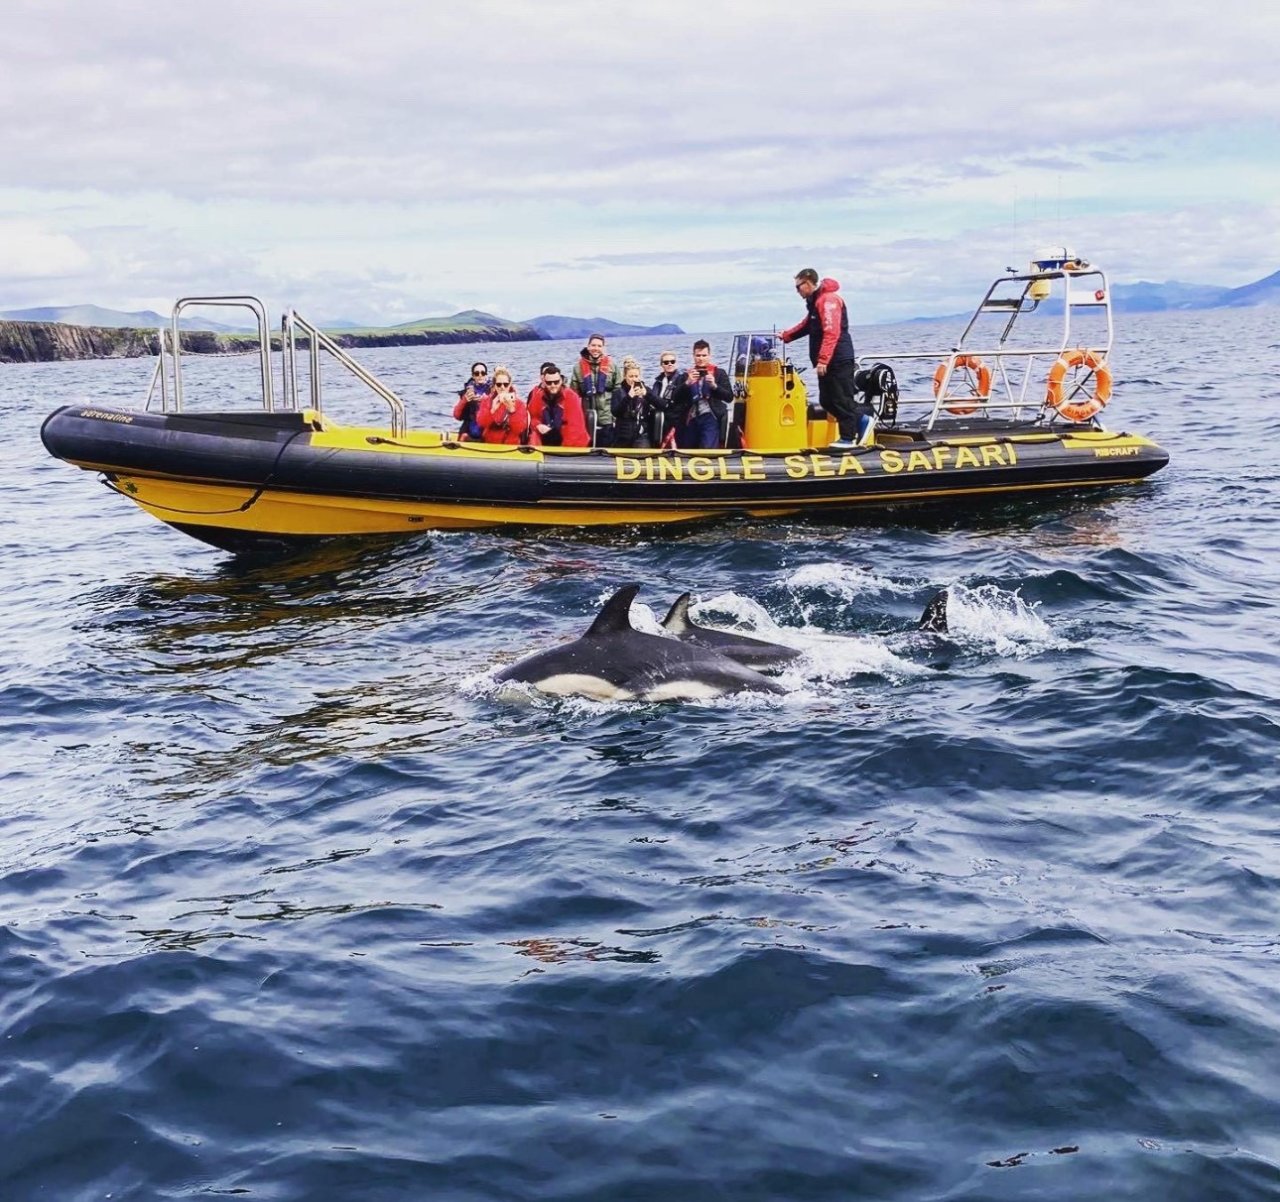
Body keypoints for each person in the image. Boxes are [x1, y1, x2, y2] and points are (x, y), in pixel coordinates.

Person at [779, 267, 870, 448]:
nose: (797, 291)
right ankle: (862, 420)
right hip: (828, 361)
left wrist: (823, 359)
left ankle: (848, 437)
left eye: (798, 287)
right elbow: (807, 325)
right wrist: (786, 336)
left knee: (840, 398)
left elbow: (831, 331)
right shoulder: (816, 302)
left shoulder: (828, 300)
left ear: (808, 282)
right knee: (826, 400)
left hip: (837, 359)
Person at [669, 340, 732, 449]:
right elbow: (674, 398)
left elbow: (729, 397)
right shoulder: (686, 375)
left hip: (710, 415)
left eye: (704, 355)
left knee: (707, 448)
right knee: (687, 448)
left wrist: (714, 386)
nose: (701, 358)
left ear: (709, 356)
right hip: (691, 417)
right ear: (693, 356)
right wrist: (687, 383)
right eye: (698, 355)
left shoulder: (719, 373)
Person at [571, 333, 623, 446]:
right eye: (593, 345)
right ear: (588, 346)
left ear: (603, 348)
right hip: (586, 418)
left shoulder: (613, 366)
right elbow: (573, 395)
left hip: (608, 418)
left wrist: (616, 418)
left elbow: (619, 392)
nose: (596, 348)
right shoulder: (577, 368)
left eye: (599, 346)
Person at [528, 363, 589, 447]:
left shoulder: (571, 397)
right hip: (547, 441)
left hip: (571, 444)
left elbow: (575, 429)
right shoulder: (538, 396)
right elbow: (531, 418)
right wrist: (538, 425)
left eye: (556, 382)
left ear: (561, 381)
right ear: (544, 382)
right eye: (549, 383)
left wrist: (561, 449)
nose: (553, 385)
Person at [609, 356, 662, 448]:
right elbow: (615, 412)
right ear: (625, 376)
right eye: (631, 376)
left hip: (641, 435)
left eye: (636, 376)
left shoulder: (646, 390)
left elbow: (662, 405)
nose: (634, 379)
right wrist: (629, 397)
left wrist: (647, 394)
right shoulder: (618, 392)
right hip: (623, 435)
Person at [476, 367, 529, 445]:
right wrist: (492, 410)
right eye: (499, 384)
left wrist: (512, 411)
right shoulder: (486, 401)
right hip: (489, 443)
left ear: (510, 385)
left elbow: (519, 429)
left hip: (510, 444)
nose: (502, 387)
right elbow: (481, 423)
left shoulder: (519, 404)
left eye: (505, 384)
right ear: (494, 386)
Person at [452, 361, 489, 441]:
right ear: (473, 376)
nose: (480, 375)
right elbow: (457, 415)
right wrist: (464, 400)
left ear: (486, 375)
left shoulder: (493, 390)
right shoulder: (467, 392)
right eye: (477, 373)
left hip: (486, 430)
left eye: (483, 373)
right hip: (469, 429)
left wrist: (485, 400)